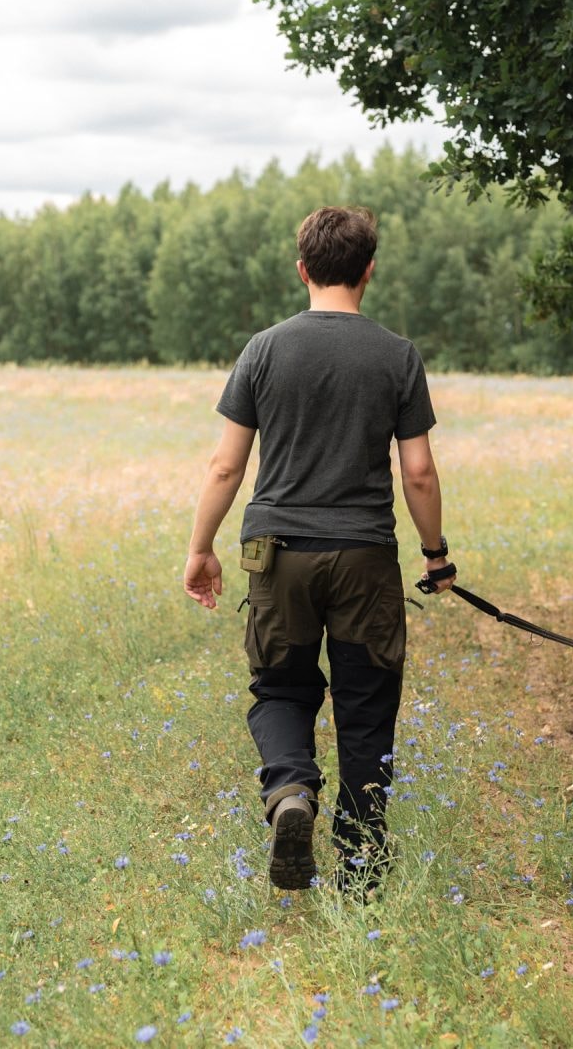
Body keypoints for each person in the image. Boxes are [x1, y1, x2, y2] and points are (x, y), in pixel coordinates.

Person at [183, 205, 455, 894]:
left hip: (277, 551)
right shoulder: (397, 355)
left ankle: (292, 790)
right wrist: (435, 554)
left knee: (281, 685)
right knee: (367, 703)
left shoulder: (264, 349)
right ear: (369, 271)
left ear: (302, 269)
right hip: (364, 555)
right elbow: (418, 471)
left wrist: (201, 547)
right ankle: (361, 869)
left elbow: (225, 466)